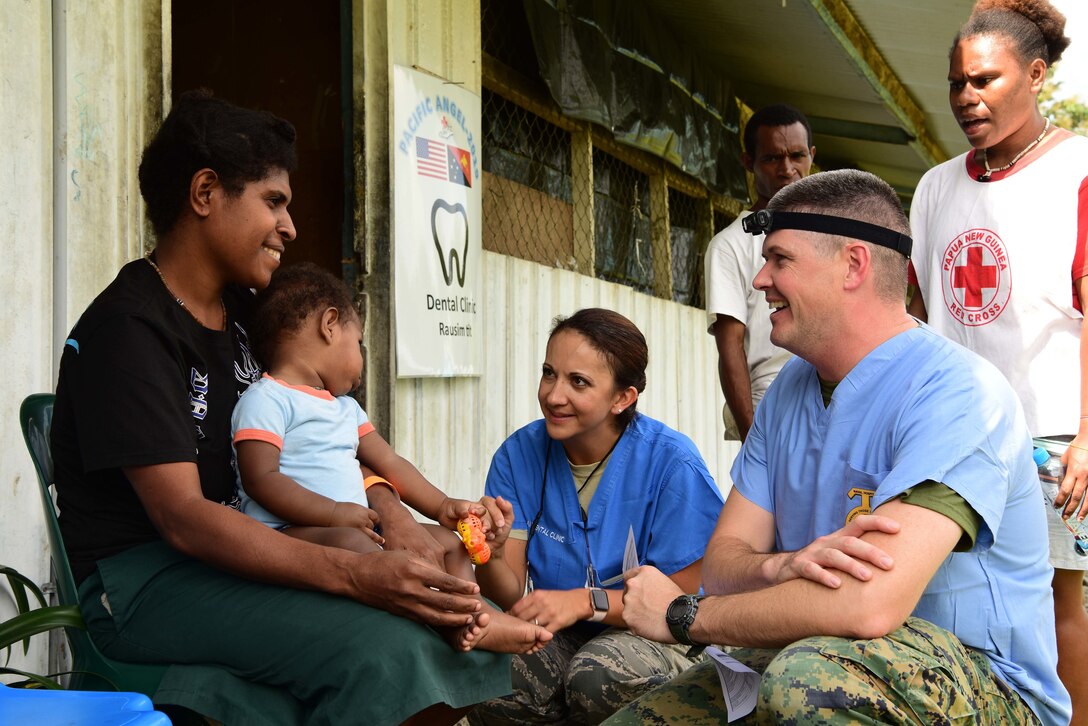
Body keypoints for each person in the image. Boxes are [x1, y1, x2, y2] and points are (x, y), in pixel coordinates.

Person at [50, 90, 512, 726]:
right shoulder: (129, 331)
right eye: (274, 201)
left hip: (251, 548)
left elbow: (329, 434)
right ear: (206, 192)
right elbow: (183, 519)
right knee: (387, 652)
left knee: (432, 620)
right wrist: (353, 575)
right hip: (147, 583)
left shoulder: (251, 320)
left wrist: (390, 514)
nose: (290, 227)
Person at [611, 170, 1070, 724]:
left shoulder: (958, 392)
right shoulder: (789, 390)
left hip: (982, 683)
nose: (760, 280)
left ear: (853, 264)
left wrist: (684, 615)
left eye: (779, 260)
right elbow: (724, 563)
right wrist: (782, 567)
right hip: (817, 651)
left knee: (805, 682)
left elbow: (869, 602)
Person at [906, 1, 1088, 721]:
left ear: (1037, 74)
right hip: (955, 436)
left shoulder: (1077, 171)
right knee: (950, 594)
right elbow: (918, 317)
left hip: (1048, 436)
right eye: (956, 83)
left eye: (984, 80)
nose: (966, 98)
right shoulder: (934, 187)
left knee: (1055, 595)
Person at [232, 261, 550, 654]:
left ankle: (471, 612)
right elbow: (260, 479)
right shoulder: (266, 399)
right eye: (359, 341)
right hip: (288, 534)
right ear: (330, 324)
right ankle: (452, 619)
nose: (362, 361)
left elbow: (391, 464)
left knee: (447, 543)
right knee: (358, 545)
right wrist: (333, 514)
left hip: (355, 528)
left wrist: (442, 506)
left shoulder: (345, 409)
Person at [468, 308, 725, 725]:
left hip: (663, 637)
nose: (553, 395)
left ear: (622, 398)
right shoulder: (519, 456)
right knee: (496, 670)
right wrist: (490, 556)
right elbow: (513, 599)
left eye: (579, 382)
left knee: (598, 673)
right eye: (549, 373)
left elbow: (679, 603)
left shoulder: (672, 464)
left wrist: (584, 602)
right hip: (566, 635)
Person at [704, 103, 815, 441]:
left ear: (812, 155)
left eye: (797, 155)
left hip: (833, 393)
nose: (787, 169)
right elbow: (730, 347)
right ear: (748, 162)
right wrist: (753, 434)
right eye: (771, 158)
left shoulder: (829, 233)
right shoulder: (730, 245)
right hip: (771, 400)